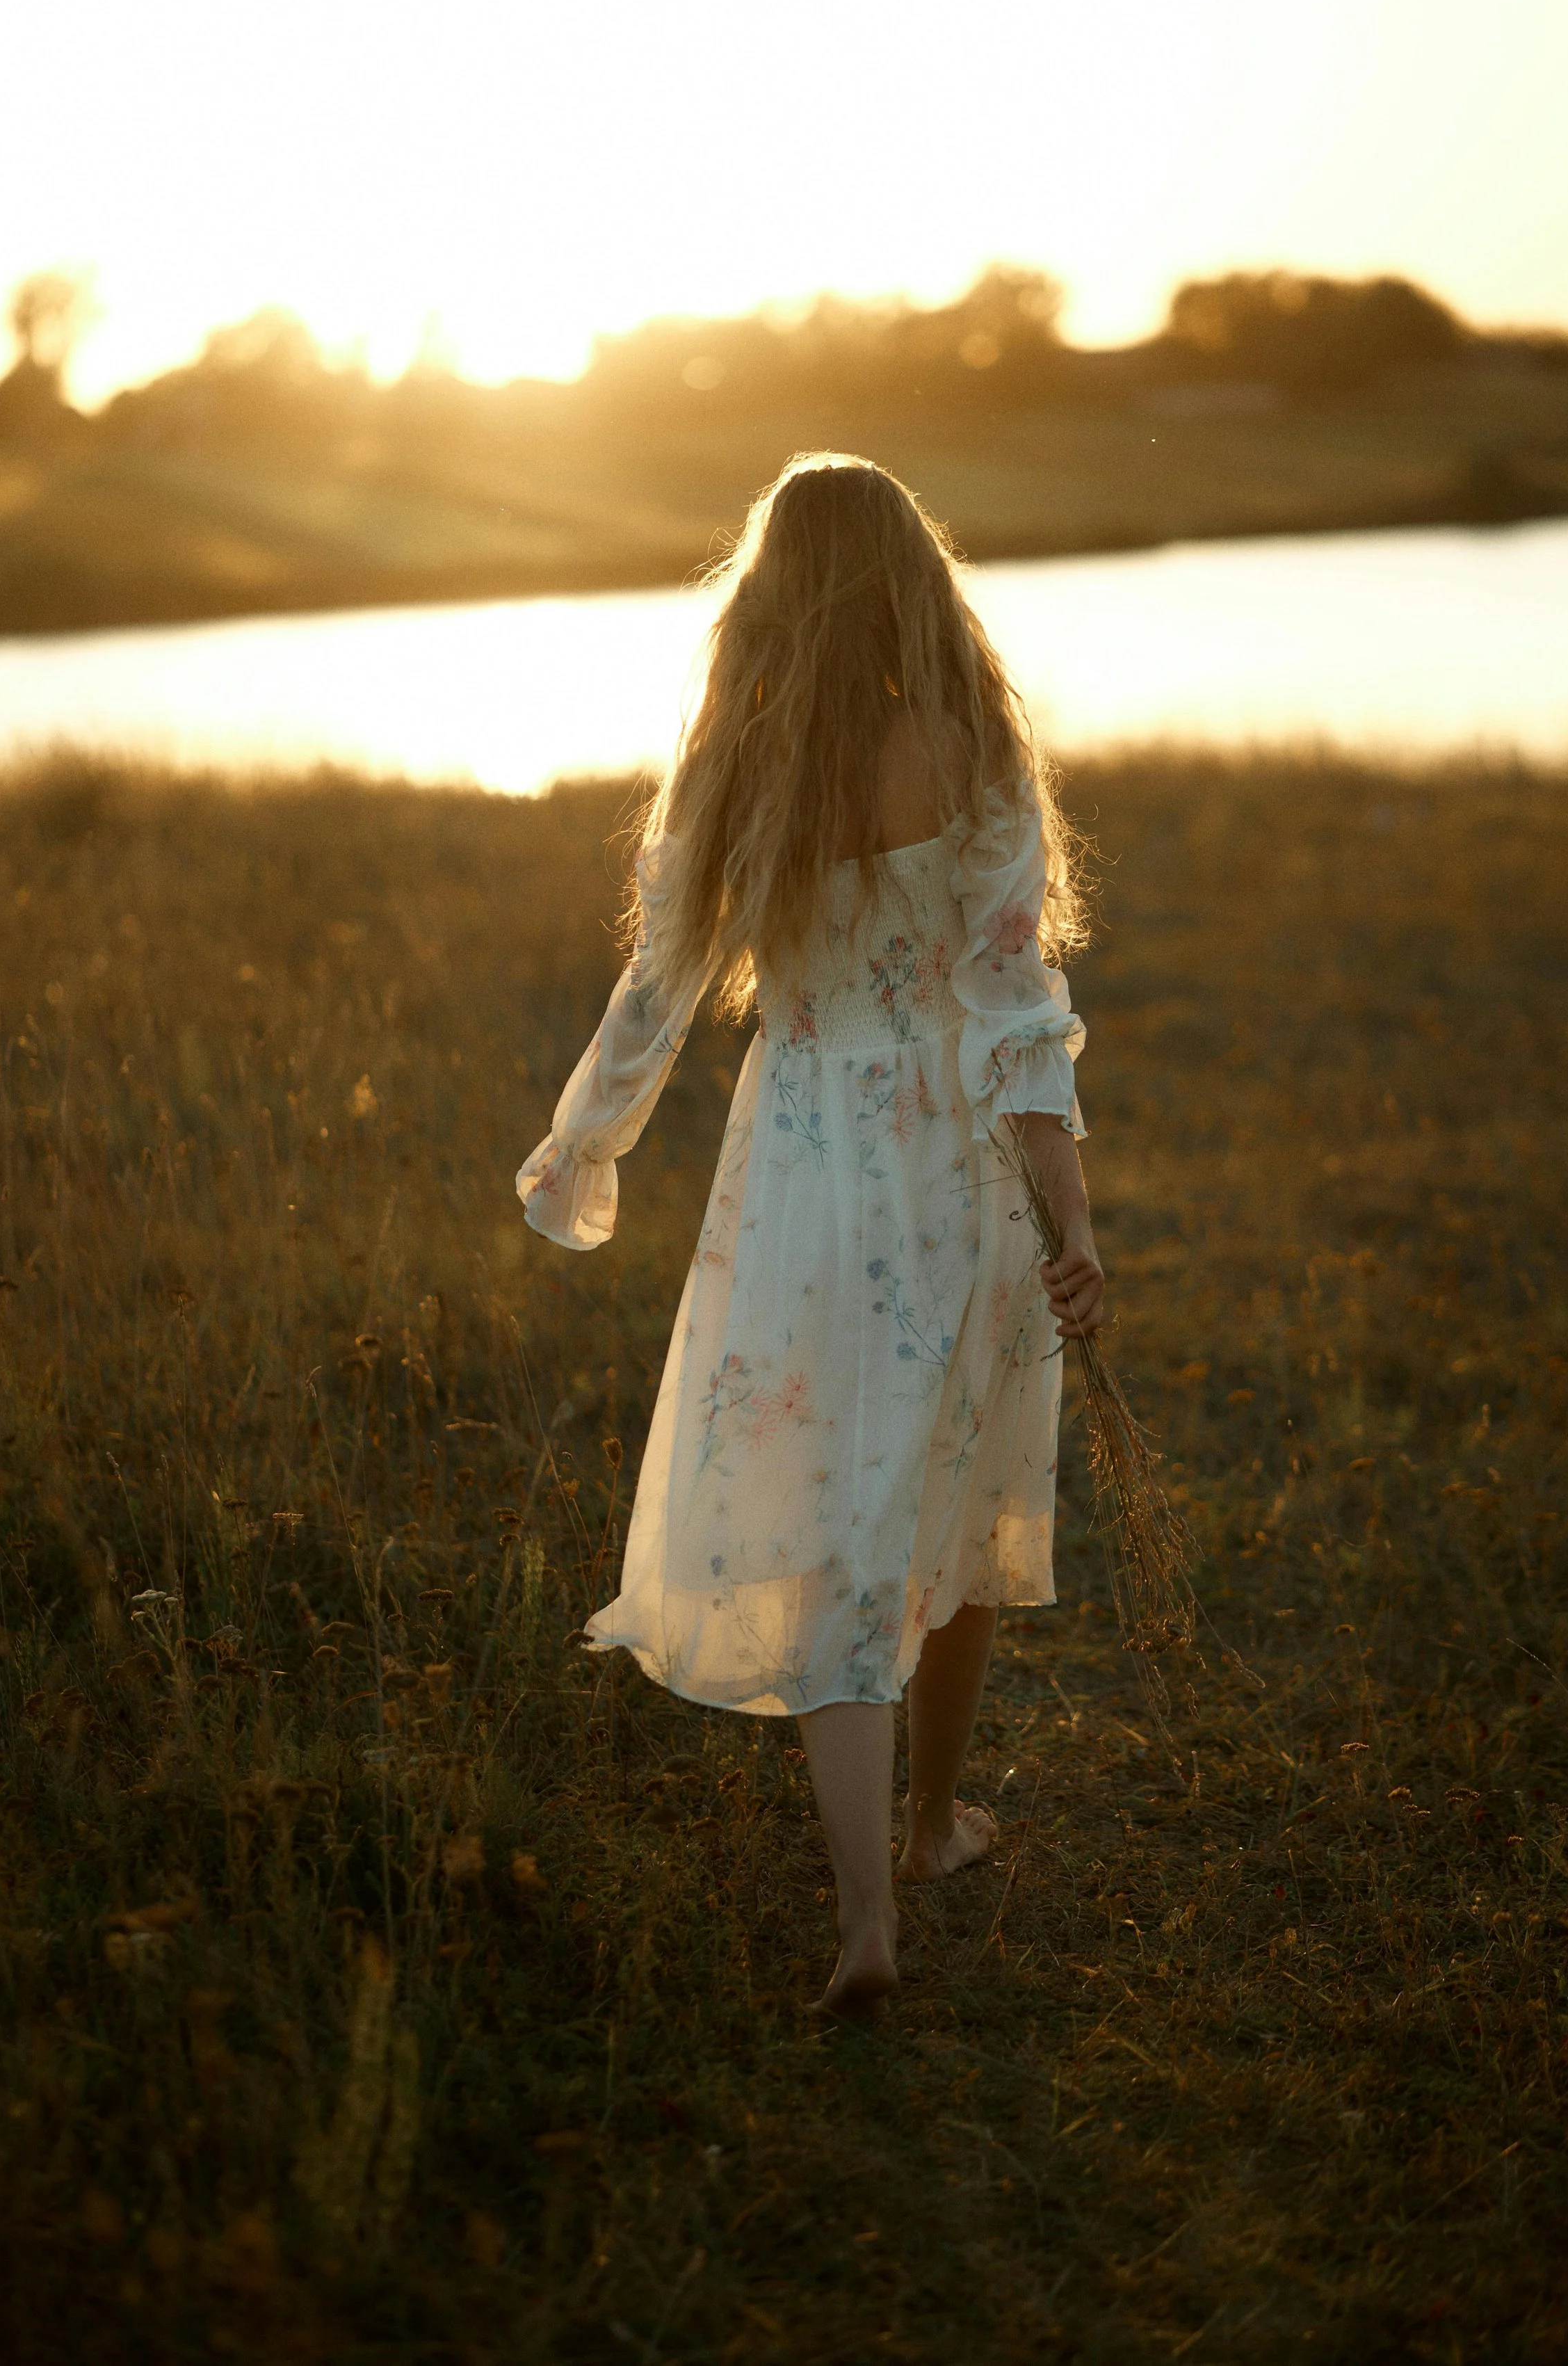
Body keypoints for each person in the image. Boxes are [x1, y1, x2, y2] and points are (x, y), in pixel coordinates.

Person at [517, 455, 1103, 2015]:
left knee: (840, 1513)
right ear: (918, 573)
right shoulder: (967, 752)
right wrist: (1069, 1214)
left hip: (801, 1171)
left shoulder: (738, 768)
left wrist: (581, 1148)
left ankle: (864, 1919)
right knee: (962, 1479)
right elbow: (1016, 1011)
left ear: (769, 589)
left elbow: (653, 997)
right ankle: (927, 1827)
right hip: (958, 1166)